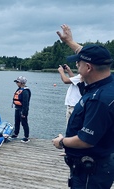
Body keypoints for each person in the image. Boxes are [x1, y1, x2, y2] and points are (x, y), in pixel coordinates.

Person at [52, 24, 114, 188]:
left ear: (88, 68)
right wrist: (70, 42)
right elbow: (91, 56)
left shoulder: (99, 100)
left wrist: (62, 142)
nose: (76, 68)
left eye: (78, 65)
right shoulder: (106, 85)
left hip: (90, 173)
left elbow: (86, 141)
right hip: (96, 168)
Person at [11, 76, 31, 143]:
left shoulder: (25, 91)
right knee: (16, 122)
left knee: (24, 123)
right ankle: (15, 134)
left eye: (17, 82)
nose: (16, 83)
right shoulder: (19, 89)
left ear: (22, 83)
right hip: (17, 108)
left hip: (22, 109)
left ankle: (26, 137)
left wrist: (24, 113)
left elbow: (25, 103)